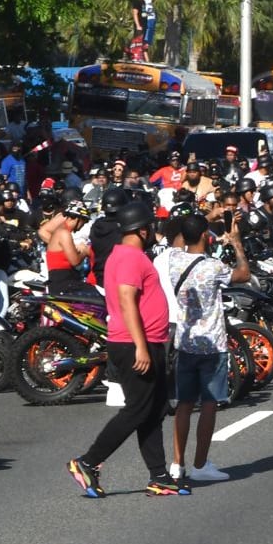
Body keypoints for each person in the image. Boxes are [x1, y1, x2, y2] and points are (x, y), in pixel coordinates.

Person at [67, 201, 185, 498]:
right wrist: (142, 347)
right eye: (152, 228)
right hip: (135, 342)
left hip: (141, 340)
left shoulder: (122, 254)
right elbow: (126, 300)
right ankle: (88, 462)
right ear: (143, 229)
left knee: (153, 410)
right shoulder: (131, 257)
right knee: (137, 410)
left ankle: (159, 475)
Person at [158, 214, 249, 483]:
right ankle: (200, 464)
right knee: (209, 404)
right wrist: (236, 243)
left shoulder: (173, 260)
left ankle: (177, 464)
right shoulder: (213, 266)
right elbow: (244, 273)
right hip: (212, 345)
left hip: (184, 342)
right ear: (206, 236)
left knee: (184, 404)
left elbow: (178, 242)